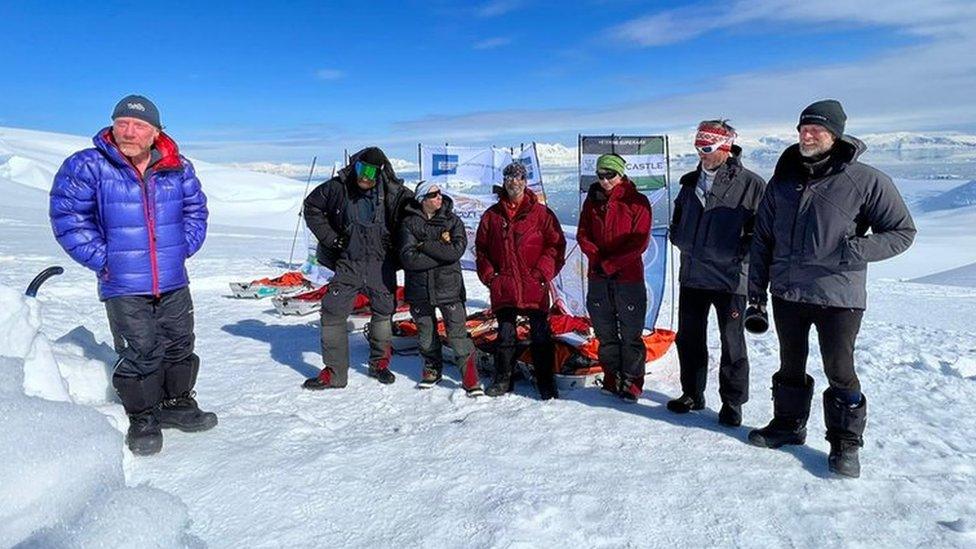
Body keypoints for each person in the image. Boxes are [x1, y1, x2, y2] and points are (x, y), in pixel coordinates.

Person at [747, 100, 916, 478]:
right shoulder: (783, 180)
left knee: (839, 369)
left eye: (816, 130)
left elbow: (903, 232)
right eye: (803, 129)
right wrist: (756, 291)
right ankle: (788, 426)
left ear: (835, 135)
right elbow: (762, 240)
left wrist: (856, 249)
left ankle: (845, 443)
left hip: (838, 295)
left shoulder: (866, 180)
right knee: (790, 363)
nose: (807, 135)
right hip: (787, 293)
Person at [49, 95, 216, 456]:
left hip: (172, 278)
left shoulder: (177, 167)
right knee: (140, 350)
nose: (128, 131)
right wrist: (105, 259)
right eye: (122, 123)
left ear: (155, 132)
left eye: (139, 125)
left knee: (179, 342)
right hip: (122, 282)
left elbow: (196, 209)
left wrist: (182, 247)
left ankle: (177, 403)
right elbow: (68, 218)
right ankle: (142, 416)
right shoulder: (88, 166)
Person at [666, 121, 766, 426]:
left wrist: (737, 252)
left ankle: (732, 402)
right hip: (693, 274)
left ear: (725, 147)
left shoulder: (751, 184)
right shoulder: (688, 183)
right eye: (698, 147)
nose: (701, 154)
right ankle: (692, 393)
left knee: (732, 342)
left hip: (730, 279)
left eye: (707, 148)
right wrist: (679, 237)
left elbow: (763, 233)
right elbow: (679, 220)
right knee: (689, 337)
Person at [301, 147, 413, 390]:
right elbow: (311, 207)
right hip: (348, 262)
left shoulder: (393, 191)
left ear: (380, 171)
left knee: (383, 312)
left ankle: (379, 364)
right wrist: (330, 238)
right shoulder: (337, 187)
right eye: (362, 168)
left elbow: (415, 212)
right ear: (355, 166)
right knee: (332, 312)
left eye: (372, 171)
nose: (366, 176)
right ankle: (335, 373)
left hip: (380, 263)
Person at [475, 161, 566, 400]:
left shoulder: (541, 214)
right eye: (508, 178)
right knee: (505, 335)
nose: (513, 182)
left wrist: (541, 273)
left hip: (532, 285)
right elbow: (481, 250)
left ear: (525, 182)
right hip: (504, 285)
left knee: (540, 335)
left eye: (518, 178)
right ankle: (503, 378)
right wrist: (490, 277)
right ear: (504, 182)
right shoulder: (492, 216)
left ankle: (546, 381)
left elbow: (555, 245)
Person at [576, 154, 652, 403]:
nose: (605, 180)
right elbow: (583, 234)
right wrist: (598, 261)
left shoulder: (636, 201)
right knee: (604, 329)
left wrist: (612, 263)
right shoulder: (592, 201)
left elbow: (639, 241)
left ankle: (632, 380)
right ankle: (611, 376)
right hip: (599, 275)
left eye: (611, 175)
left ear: (621, 174)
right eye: (601, 175)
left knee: (631, 332)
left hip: (628, 276)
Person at [399, 181, 484, 396]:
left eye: (439, 193)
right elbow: (408, 258)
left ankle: (470, 376)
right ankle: (432, 369)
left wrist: (425, 246)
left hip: (449, 287)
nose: (439, 197)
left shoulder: (452, 220)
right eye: (433, 194)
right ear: (422, 200)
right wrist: (441, 252)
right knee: (426, 334)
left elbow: (455, 252)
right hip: (420, 289)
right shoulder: (408, 223)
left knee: (458, 335)